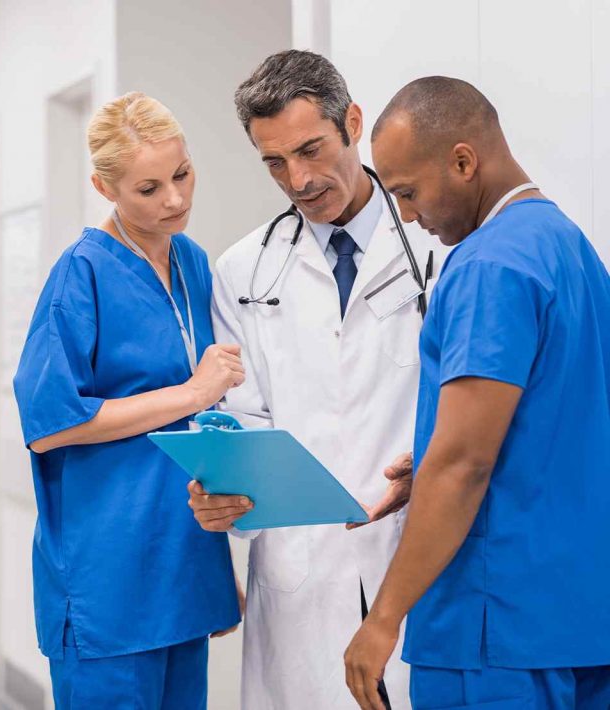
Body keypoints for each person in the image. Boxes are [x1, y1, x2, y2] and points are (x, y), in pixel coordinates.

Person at [344, 76, 610, 710]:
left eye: (407, 192)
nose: (405, 214)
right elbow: (559, 422)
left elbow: (465, 465)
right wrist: (430, 462)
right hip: (578, 620)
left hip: (494, 631)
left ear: (463, 161)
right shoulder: (570, 249)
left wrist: (381, 620)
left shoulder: (490, 263)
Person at [187, 50, 441, 710]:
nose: (298, 179)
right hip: (304, 574)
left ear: (352, 122)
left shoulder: (435, 244)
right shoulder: (244, 272)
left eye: (310, 149)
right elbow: (243, 421)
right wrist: (227, 495)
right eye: (275, 162)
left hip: (416, 556)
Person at [13, 92, 246, 709]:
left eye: (181, 174)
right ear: (104, 186)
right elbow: (50, 424)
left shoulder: (193, 263)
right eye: (148, 189)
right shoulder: (81, 274)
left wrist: (211, 567)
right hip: (107, 582)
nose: (174, 199)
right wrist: (192, 390)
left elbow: (200, 426)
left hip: (181, 566)